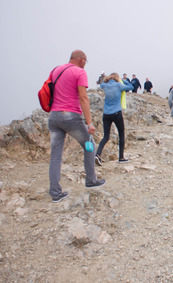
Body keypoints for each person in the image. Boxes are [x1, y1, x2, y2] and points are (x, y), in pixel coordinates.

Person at [47, 50, 105, 202]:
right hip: (69, 116)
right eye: (86, 61)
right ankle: (91, 180)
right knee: (89, 145)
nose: (85, 64)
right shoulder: (79, 72)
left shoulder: (56, 70)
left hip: (53, 117)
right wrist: (89, 123)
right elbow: (83, 97)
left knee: (55, 155)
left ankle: (55, 192)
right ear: (82, 59)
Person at [95, 73, 133, 165]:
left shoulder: (105, 85)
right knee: (121, 135)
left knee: (106, 136)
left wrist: (106, 78)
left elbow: (101, 83)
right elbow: (131, 86)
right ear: (117, 78)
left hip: (106, 114)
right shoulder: (119, 85)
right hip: (116, 113)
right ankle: (121, 157)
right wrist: (122, 80)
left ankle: (97, 155)